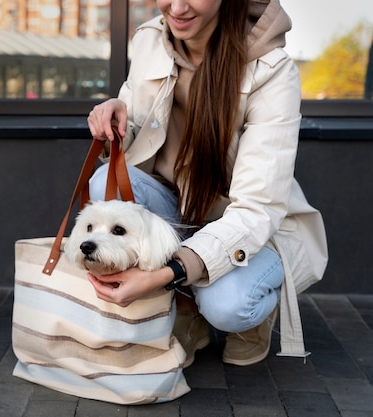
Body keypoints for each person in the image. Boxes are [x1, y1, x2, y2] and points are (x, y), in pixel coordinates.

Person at [86, 0, 328, 367]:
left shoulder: (273, 71)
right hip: (179, 203)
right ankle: (187, 309)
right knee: (105, 179)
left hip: (249, 227)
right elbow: (137, 127)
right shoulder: (151, 39)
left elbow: (255, 210)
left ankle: (249, 316)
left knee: (229, 306)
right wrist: (115, 122)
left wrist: (170, 273)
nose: (177, 6)